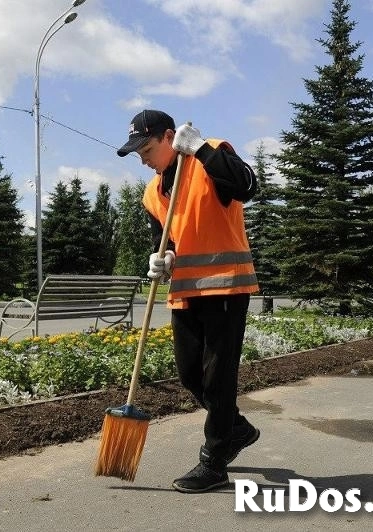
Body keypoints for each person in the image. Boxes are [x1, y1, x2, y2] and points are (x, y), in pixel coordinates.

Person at [117, 109, 260, 493]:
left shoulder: (210, 154)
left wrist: (199, 149)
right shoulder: (152, 192)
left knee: (218, 377)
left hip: (226, 288)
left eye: (147, 148)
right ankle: (236, 429)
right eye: (138, 153)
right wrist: (162, 260)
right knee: (189, 375)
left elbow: (247, 185)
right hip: (185, 292)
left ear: (169, 137)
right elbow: (167, 241)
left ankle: (214, 462)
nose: (143, 158)